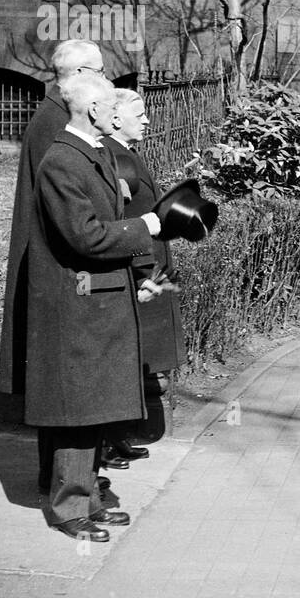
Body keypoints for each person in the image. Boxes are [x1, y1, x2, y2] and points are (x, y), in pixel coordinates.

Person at [25, 74, 163, 542]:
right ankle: (71, 509)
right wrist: (144, 226)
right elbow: (83, 235)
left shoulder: (92, 151)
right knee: (77, 408)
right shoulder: (63, 160)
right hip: (79, 302)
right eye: (109, 103)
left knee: (95, 405)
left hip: (99, 298)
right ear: (92, 109)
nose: (116, 110)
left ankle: (89, 498)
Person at [0, 40, 109, 493]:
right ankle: (60, 482)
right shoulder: (58, 120)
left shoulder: (54, 113)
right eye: (101, 72)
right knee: (61, 383)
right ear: (80, 73)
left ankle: (73, 478)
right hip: (59, 268)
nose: (108, 80)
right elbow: (69, 207)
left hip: (60, 262)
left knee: (63, 383)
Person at [100, 88, 186, 461]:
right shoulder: (115, 158)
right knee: (120, 359)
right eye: (140, 113)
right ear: (116, 118)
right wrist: (144, 274)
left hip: (145, 265)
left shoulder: (125, 153)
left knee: (130, 359)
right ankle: (106, 443)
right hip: (138, 270)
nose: (148, 120)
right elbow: (123, 220)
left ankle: (114, 437)